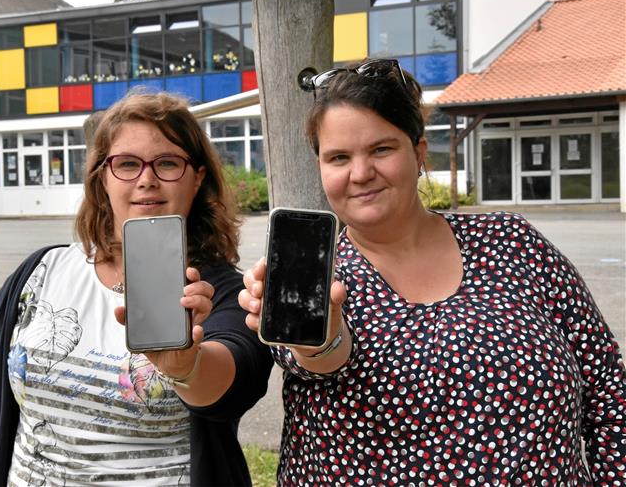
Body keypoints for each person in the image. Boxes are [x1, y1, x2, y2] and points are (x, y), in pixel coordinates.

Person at [239, 59, 626, 484]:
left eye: (381, 149)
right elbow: (319, 359)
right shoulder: (313, 275)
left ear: (419, 153)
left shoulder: (512, 242)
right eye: (338, 157)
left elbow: (608, 386)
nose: (361, 173)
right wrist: (323, 338)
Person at [0, 91, 273, 486]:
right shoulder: (41, 272)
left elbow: (234, 384)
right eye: (127, 164)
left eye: (167, 163)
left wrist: (187, 368)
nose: (146, 179)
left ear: (197, 178)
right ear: (103, 178)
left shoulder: (223, 294)